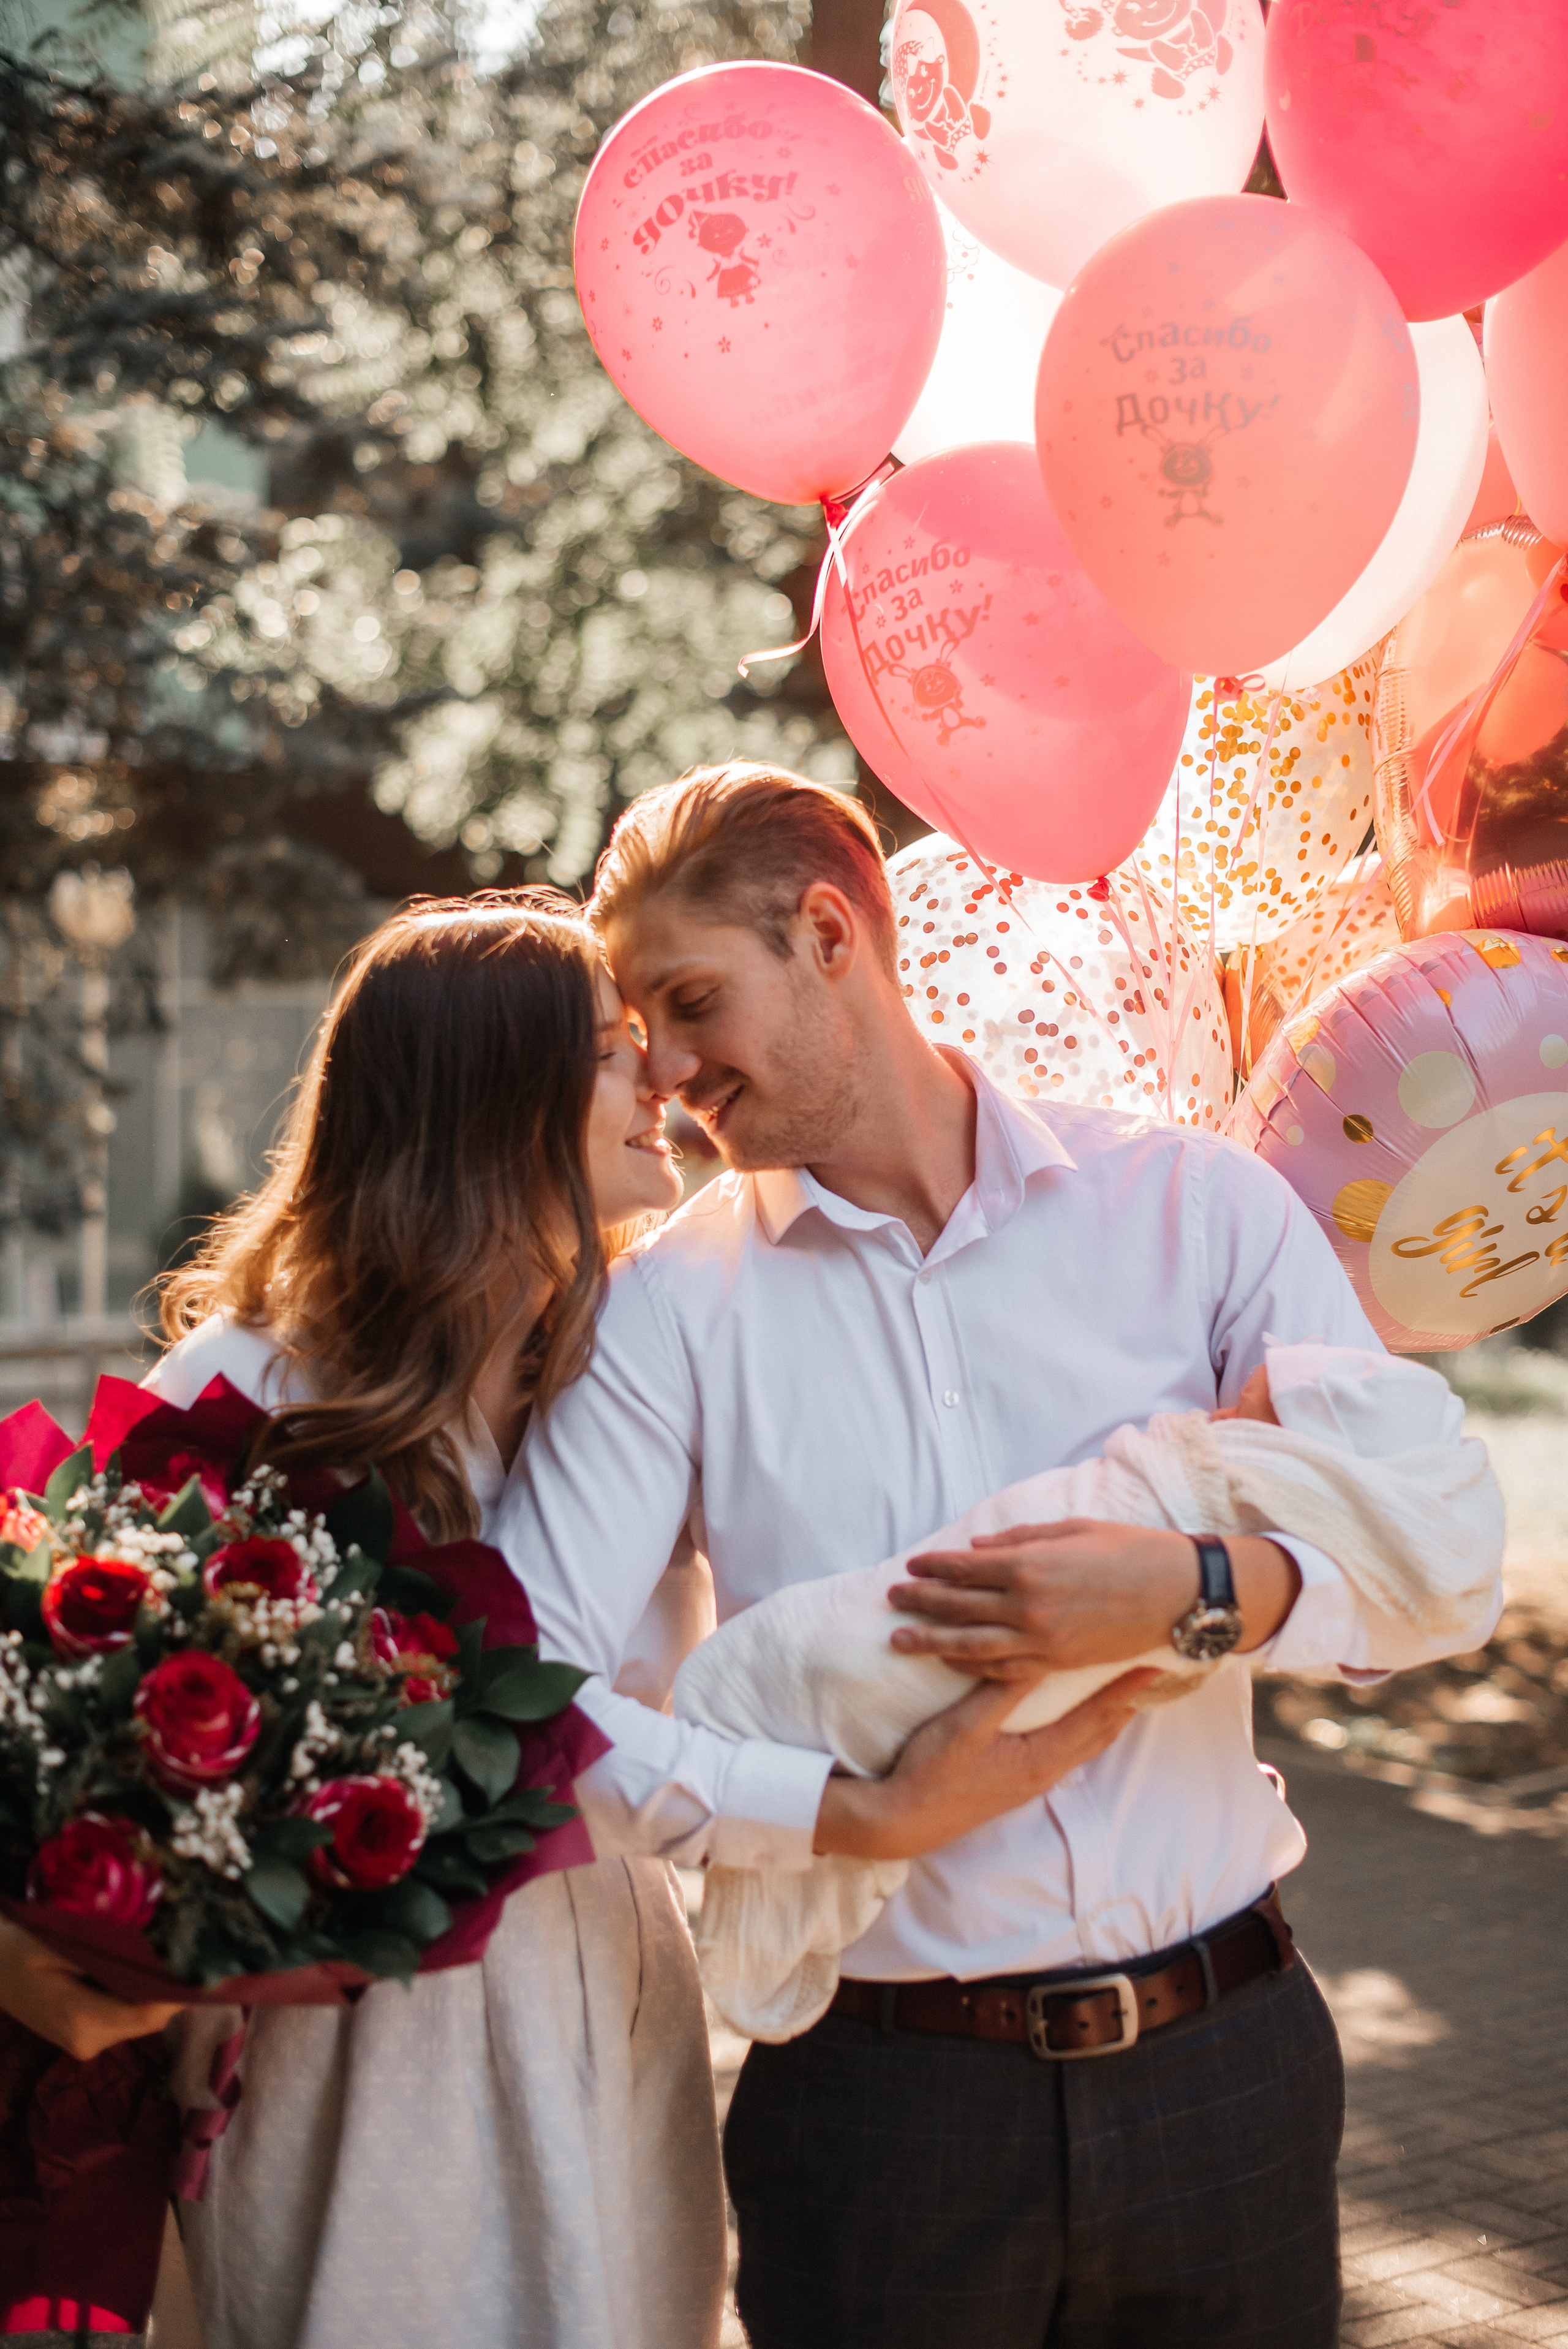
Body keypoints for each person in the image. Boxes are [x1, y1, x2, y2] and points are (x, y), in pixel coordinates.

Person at [497, 763, 1504, 2349]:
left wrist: (1194, 1593)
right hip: (881, 2114)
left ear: (830, 934)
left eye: (692, 1003)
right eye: (646, 1029)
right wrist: (851, 1816)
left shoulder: (1194, 1209)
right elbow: (524, 1706)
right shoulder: (665, 1318)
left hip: (1228, 2067)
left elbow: (1424, 1557)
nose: (669, 1071)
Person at [137, 893, 726, 2349]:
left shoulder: (613, 1366)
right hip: (352, 2035)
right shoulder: (248, 1392)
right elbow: (128, 1761)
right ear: (490, 1097)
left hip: (602, 1988)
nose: (660, 1079)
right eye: (612, 1052)